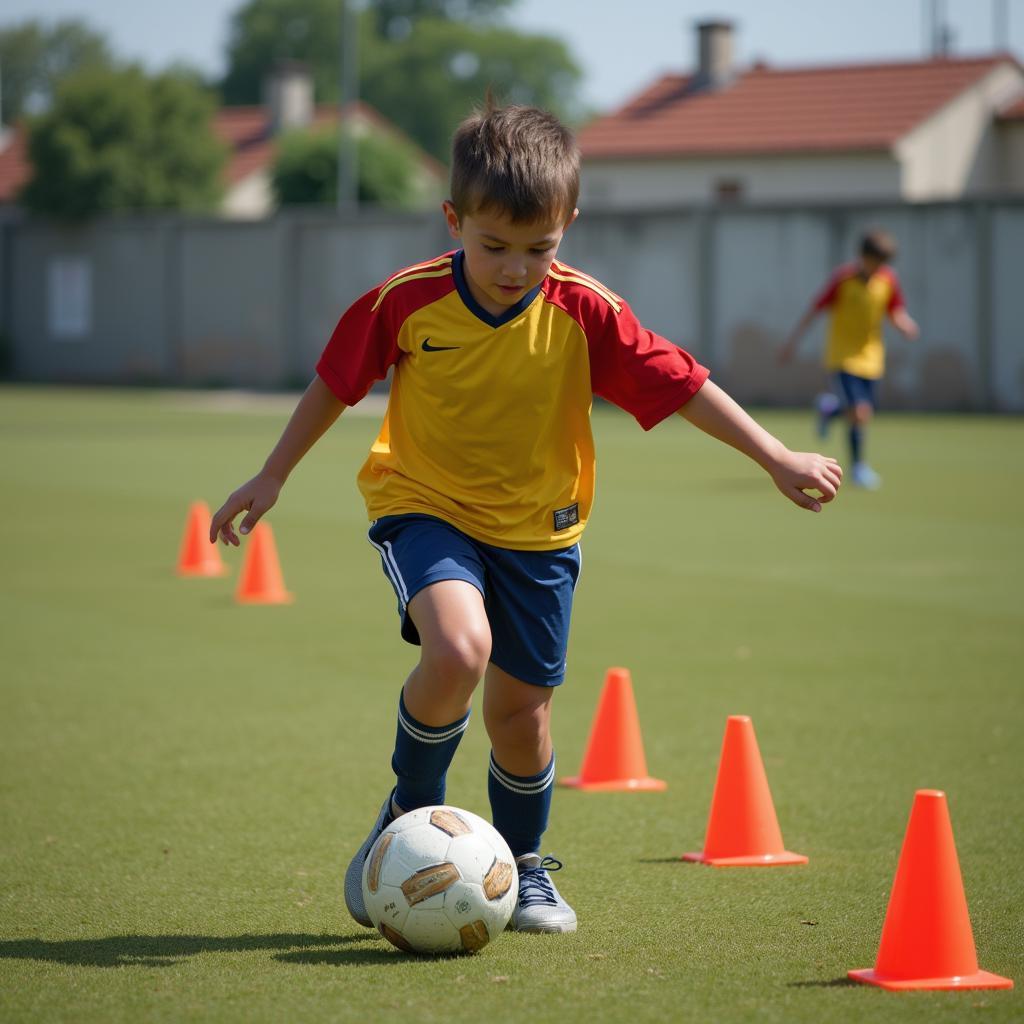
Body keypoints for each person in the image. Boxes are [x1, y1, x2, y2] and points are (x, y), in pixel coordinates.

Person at [209, 101, 842, 936]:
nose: (515, 268)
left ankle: (527, 865)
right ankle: (408, 817)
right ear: (454, 220)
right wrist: (273, 472)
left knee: (521, 715)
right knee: (459, 648)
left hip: (542, 529)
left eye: (539, 249)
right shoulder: (406, 301)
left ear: (567, 226)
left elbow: (683, 383)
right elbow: (336, 378)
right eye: (493, 246)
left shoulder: (586, 311)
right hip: (423, 504)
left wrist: (776, 457)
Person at [778, 230, 919, 490]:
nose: (878, 267)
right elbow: (814, 311)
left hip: (872, 357)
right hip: (842, 357)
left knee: (862, 414)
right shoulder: (843, 280)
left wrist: (905, 325)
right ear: (862, 257)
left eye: (882, 263)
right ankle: (857, 468)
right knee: (859, 412)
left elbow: (895, 310)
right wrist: (792, 343)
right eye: (874, 261)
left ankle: (829, 410)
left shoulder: (887, 280)